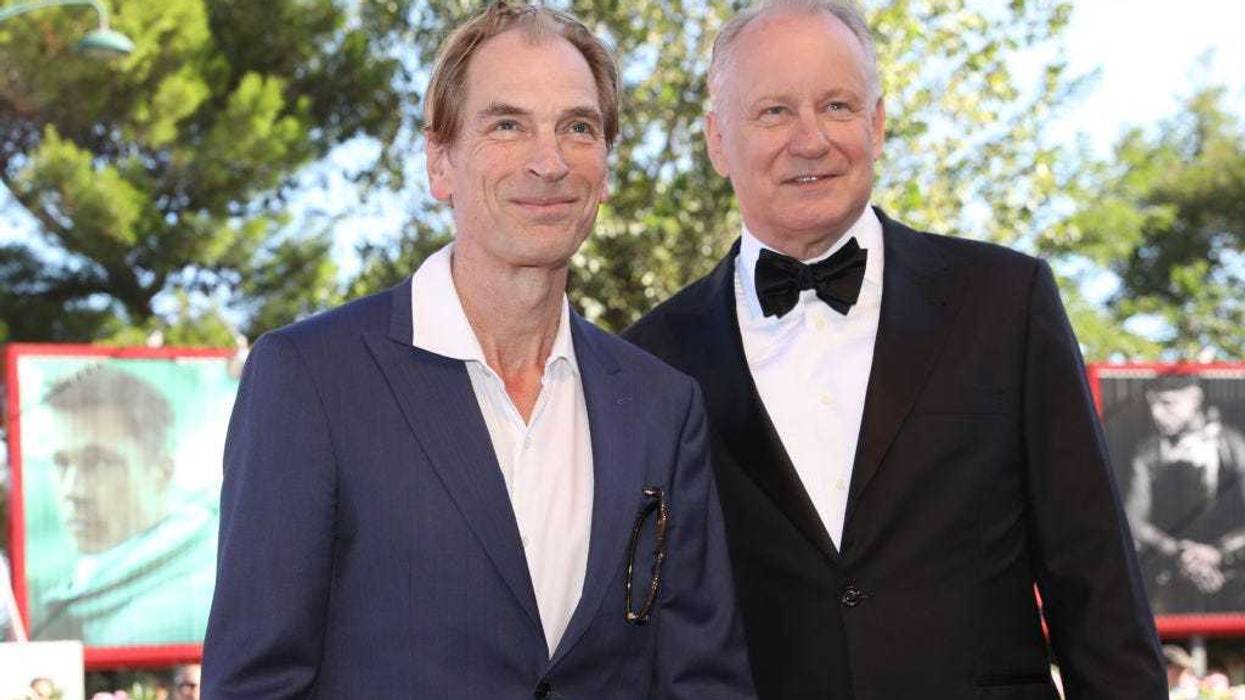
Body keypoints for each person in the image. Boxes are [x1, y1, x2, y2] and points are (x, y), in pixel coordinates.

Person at [202, 3, 754, 698]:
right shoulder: (310, 378)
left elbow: (700, 682)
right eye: (506, 125)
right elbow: (255, 684)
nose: (549, 162)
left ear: (606, 169)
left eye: (577, 128)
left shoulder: (660, 406)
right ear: (441, 163)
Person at [623, 0, 1166, 697]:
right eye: (773, 112)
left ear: (876, 125)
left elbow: (1096, 587)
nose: (810, 139)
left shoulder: (1005, 301)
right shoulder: (652, 359)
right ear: (717, 141)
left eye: (837, 106)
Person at [34, 366, 216, 645]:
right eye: (61, 463)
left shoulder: (169, 613)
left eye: (98, 462)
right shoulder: (86, 585)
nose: (72, 490)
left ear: (162, 471)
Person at [1125, 373, 1245, 614]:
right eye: (1153, 405)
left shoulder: (1235, 446)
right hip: (1168, 572)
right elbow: (1133, 520)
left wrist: (1220, 553)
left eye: (1167, 403)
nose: (1157, 414)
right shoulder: (1149, 453)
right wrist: (1179, 551)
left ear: (1195, 398)